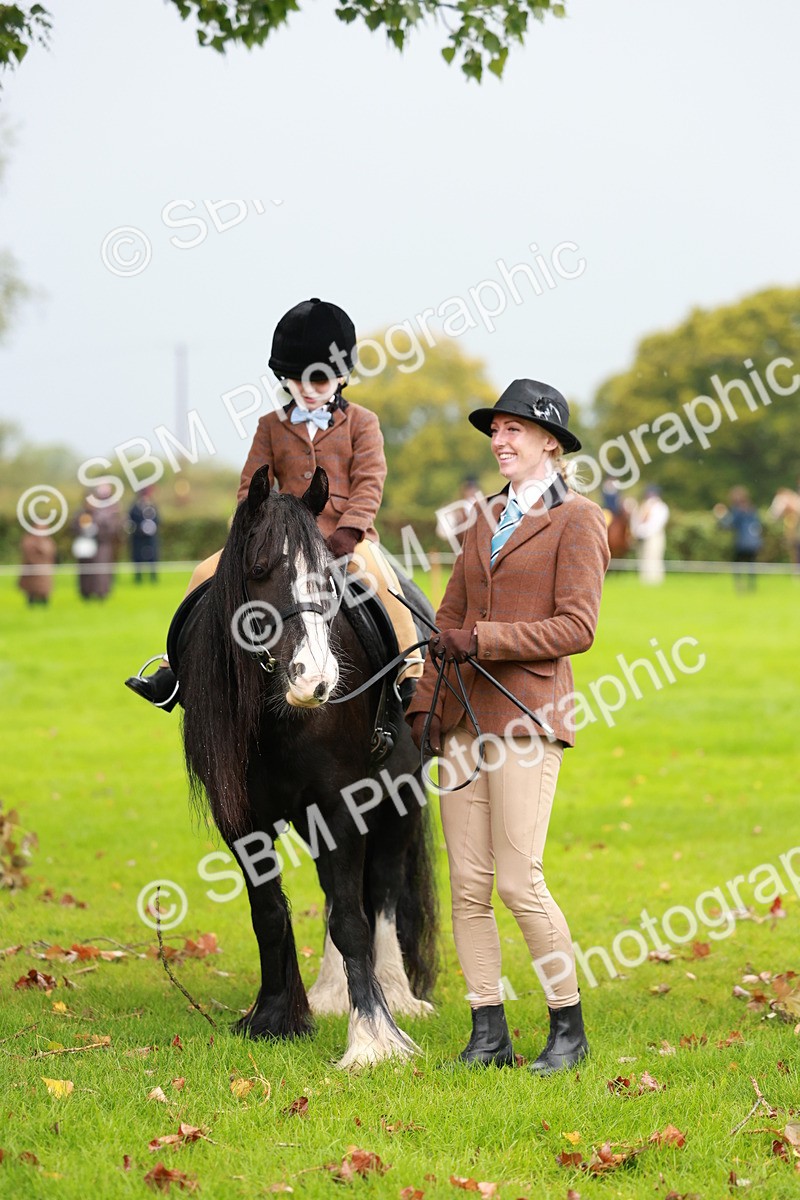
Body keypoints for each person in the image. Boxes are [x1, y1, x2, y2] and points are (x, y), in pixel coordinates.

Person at [406, 379, 609, 1073]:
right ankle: (487, 1031)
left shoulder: (580, 520)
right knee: (467, 885)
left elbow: (577, 627)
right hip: (461, 717)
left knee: (519, 881)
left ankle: (568, 1028)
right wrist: (422, 709)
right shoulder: (478, 517)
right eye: (495, 431)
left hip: (527, 716)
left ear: (549, 440)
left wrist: (485, 640)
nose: (500, 441)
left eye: (513, 430)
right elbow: (446, 622)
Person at [126, 298, 423, 710]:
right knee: (201, 572)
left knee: (384, 580)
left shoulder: (362, 422)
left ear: (341, 376)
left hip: (344, 537)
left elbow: (370, 483)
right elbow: (250, 487)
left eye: (317, 382)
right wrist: (251, 533)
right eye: (296, 381)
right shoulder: (270, 425)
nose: (306, 391)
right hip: (281, 540)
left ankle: (410, 673)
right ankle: (173, 672)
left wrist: (350, 531)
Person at [72, 483, 123, 600]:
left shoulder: (103, 513)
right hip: (86, 546)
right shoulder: (80, 513)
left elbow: (113, 528)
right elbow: (74, 527)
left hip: (101, 545)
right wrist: (83, 530)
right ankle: (86, 593)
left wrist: (97, 531)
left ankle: (102, 593)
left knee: (101, 572)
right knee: (86, 572)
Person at [714, 486, 763, 590]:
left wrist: (720, 516)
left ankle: (739, 586)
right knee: (751, 564)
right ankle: (751, 586)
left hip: (742, 543)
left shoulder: (737, 511)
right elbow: (758, 525)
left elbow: (729, 524)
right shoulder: (752, 509)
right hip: (755, 542)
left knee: (737, 564)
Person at [630, 485, 669, 584]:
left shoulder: (661, 507)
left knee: (654, 556)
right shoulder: (642, 506)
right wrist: (636, 532)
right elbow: (635, 520)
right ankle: (644, 580)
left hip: (654, 535)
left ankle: (655, 580)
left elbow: (656, 523)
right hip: (641, 535)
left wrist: (644, 532)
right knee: (642, 557)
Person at [19, 522, 57, 605]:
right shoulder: (29, 540)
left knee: (44, 588)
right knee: (32, 588)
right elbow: (28, 554)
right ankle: (31, 601)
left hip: (45, 569)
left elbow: (51, 553)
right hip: (33, 569)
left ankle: (44, 602)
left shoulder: (48, 540)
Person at [129, 486, 160, 583]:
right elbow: (131, 521)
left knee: (152, 556)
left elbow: (158, 519)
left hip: (150, 537)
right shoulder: (135, 507)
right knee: (138, 556)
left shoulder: (152, 506)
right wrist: (139, 529)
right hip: (138, 537)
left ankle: (153, 576)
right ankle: (138, 576)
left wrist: (151, 528)